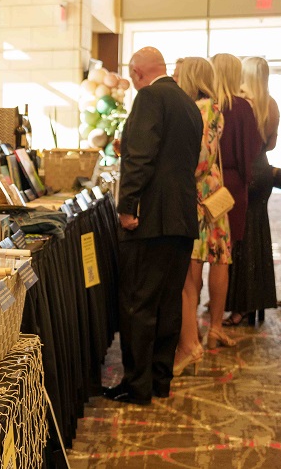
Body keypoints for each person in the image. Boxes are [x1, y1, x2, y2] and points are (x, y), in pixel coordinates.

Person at [104, 47, 202, 405]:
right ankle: (160, 380)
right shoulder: (188, 102)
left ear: (136, 72)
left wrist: (127, 206)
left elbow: (143, 159)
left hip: (150, 219)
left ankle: (137, 386)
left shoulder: (148, 96)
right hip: (181, 218)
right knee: (167, 304)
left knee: (138, 304)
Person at [172, 57, 230, 375]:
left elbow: (199, 158)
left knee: (190, 271)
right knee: (217, 257)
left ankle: (189, 343)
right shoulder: (215, 105)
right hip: (214, 192)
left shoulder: (201, 107)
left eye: (179, 74)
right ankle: (210, 329)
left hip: (198, 195)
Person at [207, 53, 262, 348]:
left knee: (194, 258)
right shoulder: (243, 107)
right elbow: (250, 151)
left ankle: (189, 330)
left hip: (206, 184)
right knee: (222, 258)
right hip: (233, 187)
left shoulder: (204, 104)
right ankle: (216, 326)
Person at [224, 56, 281, 325]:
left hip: (243, 171)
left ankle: (237, 303)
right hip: (262, 170)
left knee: (237, 234)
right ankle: (253, 300)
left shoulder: (239, 102)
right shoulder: (272, 104)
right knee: (258, 234)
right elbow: (270, 145)